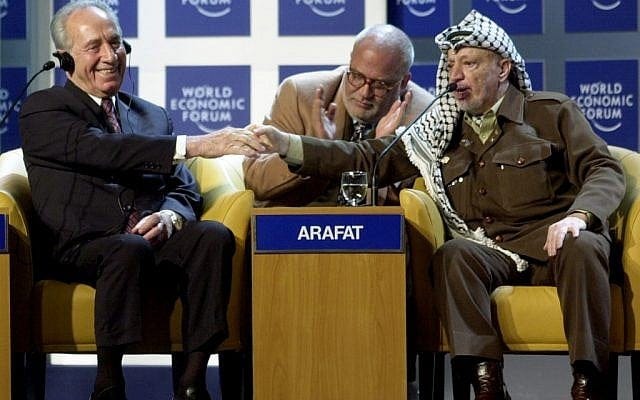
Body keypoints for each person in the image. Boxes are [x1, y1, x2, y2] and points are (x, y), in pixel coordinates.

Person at [252, 10, 625, 400]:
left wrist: (579, 217)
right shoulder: (441, 128)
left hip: (553, 243)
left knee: (582, 244)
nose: (455, 75)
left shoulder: (551, 112)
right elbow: (364, 158)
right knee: (454, 254)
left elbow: (603, 168)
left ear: (503, 68)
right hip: (493, 252)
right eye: (450, 65)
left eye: (469, 63)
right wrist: (287, 144)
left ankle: (588, 382)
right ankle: (485, 383)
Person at [18, 2, 264, 400]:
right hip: (81, 247)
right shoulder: (44, 110)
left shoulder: (151, 116)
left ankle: (192, 381)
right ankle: (109, 382)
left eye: (115, 43)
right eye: (93, 46)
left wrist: (170, 216)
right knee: (127, 248)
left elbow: (184, 187)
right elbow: (103, 149)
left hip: (150, 241)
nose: (110, 56)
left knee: (212, 236)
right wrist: (198, 143)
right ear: (64, 58)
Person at [243, 24, 434, 207]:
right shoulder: (300, 94)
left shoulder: (424, 115)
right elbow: (257, 181)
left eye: (379, 85)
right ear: (349, 64)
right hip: (301, 222)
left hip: (375, 233)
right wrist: (315, 149)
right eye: (356, 76)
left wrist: (381, 148)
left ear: (403, 82)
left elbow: (413, 205)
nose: (364, 93)